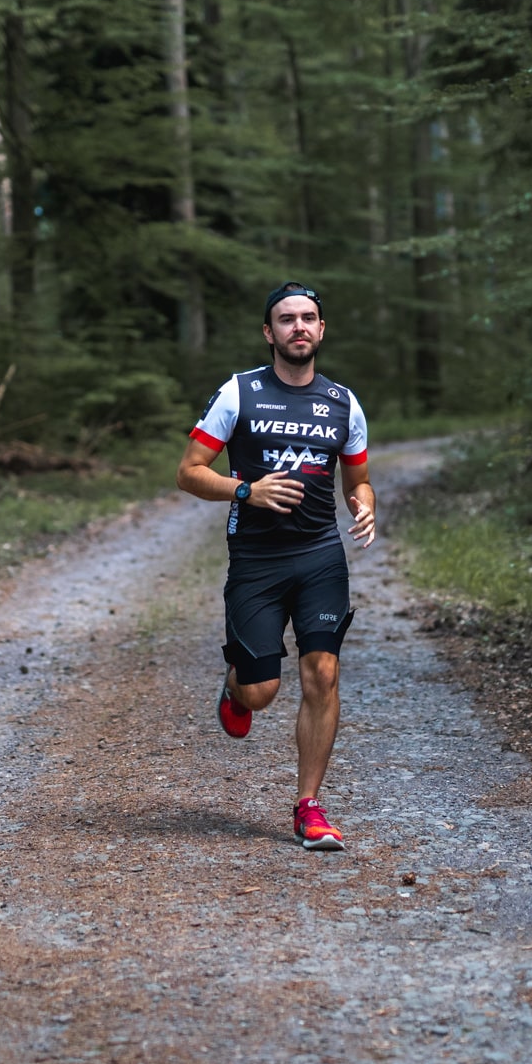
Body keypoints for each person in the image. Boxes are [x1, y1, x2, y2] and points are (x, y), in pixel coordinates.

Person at [177, 282, 376, 851]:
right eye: (286, 319)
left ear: (321, 329)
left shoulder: (343, 402)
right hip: (257, 561)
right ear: (269, 333)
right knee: (261, 691)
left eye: (309, 318)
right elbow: (189, 471)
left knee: (323, 673)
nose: (299, 328)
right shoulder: (239, 394)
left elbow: (357, 479)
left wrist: (364, 507)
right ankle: (237, 689)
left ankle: (309, 806)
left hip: (319, 556)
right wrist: (246, 490)